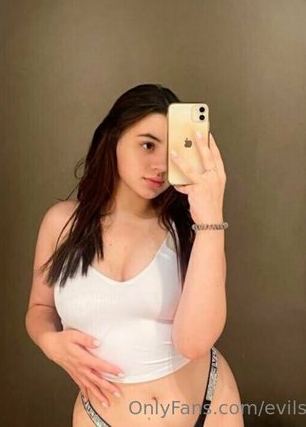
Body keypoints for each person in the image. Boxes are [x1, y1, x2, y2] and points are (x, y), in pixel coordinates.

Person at [25, 84, 244, 426]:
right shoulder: (61, 223)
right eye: (147, 145)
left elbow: (194, 343)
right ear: (113, 139)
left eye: (171, 152)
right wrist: (50, 343)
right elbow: (40, 308)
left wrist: (211, 218)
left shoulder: (189, 228)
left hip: (207, 408)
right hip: (100, 418)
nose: (160, 165)